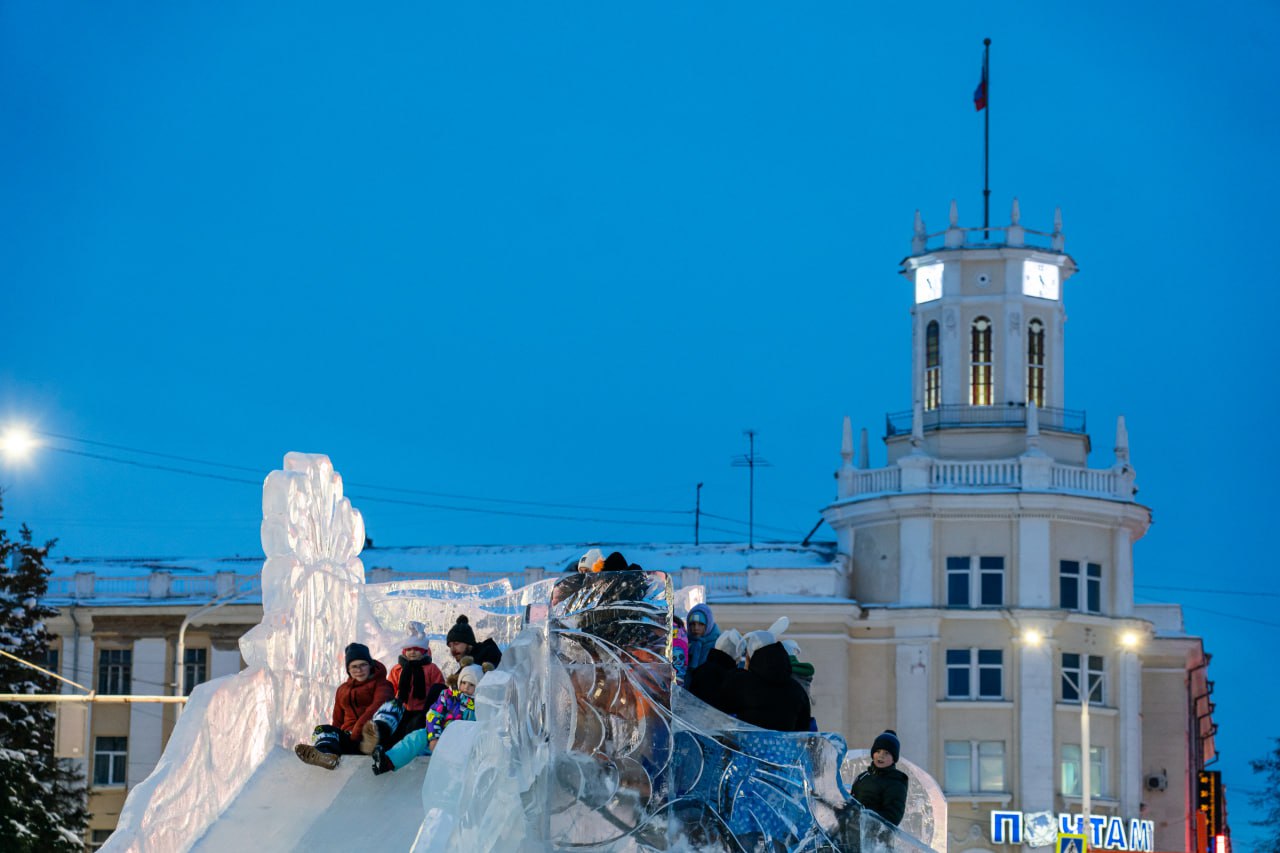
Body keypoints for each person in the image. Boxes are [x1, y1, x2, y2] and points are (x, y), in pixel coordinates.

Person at [295, 642, 393, 770]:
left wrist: (359, 730)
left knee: (393, 707)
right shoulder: (342, 690)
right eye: (354, 667)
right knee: (322, 730)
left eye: (363, 665)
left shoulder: (382, 685)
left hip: (372, 736)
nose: (359, 670)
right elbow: (337, 719)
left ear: (370, 665)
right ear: (348, 669)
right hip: (349, 738)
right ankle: (326, 754)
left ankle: (371, 747)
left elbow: (378, 705)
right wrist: (336, 735)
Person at [372, 664, 484, 775]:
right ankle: (388, 761)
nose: (466, 687)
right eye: (463, 683)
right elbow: (434, 714)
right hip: (438, 737)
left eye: (471, 684)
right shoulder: (448, 696)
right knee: (418, 736)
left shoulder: (480, 705)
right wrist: (434, 737)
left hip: (459, 745)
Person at [362, 622, 446, 752]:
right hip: (403, 709)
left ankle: (409, 752)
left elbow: (439, 689)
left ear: (423, 651)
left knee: (412, 729)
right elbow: (391, 689)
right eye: (409, 649)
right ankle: (382, 747)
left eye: (416, 649)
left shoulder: (431, 669)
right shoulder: (398, 669)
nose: (412, 652)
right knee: (396, 731)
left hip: (422, 710)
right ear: (404, 651)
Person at [717, 629, 811, 732]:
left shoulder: (740, 683)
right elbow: (803, 728)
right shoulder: (797, 689)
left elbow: (720, 713)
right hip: (783, 747)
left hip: (745, 746)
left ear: (750, 657)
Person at [850, 730, 910, 827]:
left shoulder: (896, 782)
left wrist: (864, 818)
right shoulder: (863, 777)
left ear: (893, 758)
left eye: (886, 753)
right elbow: (851, 802)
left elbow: (892, 817)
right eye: (878, 751)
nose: (881, 755)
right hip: (850, 834)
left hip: (876, 839)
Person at [685, 604, 721, 670]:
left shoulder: (718, 645)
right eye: (692, 624)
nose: (696, 628)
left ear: (708, 624)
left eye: (701, 624)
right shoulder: (684, 643)